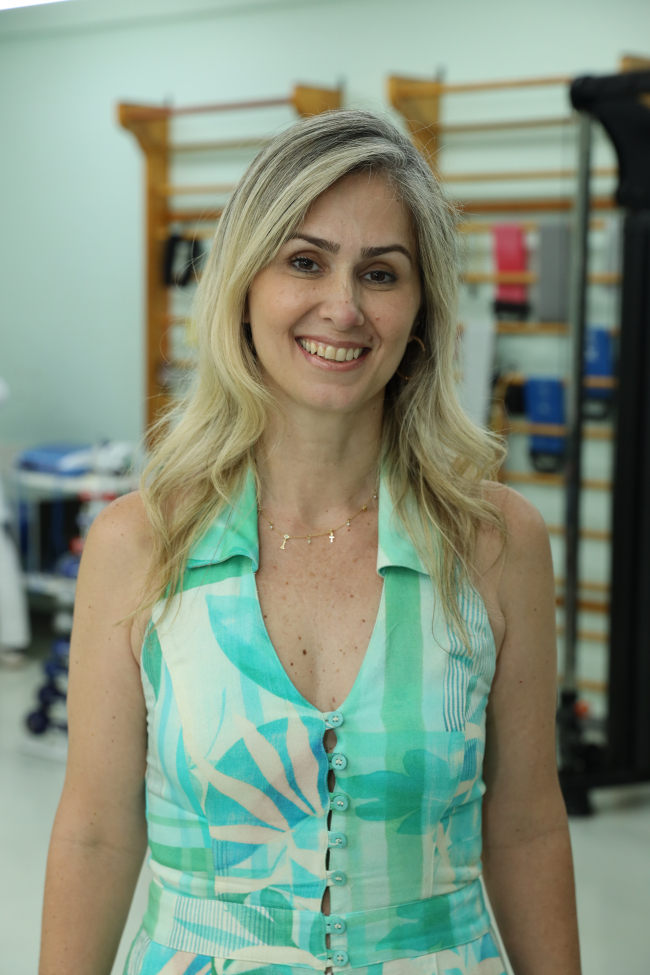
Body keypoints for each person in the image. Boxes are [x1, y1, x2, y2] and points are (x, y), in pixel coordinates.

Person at [39, 110, 581, 975]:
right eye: (304, 261)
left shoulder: (497, 543)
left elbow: (525, 825)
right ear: (244, 287)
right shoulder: (141, 543)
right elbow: (98, 832)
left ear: (421, 310)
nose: (344, 306)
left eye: (381, 273)